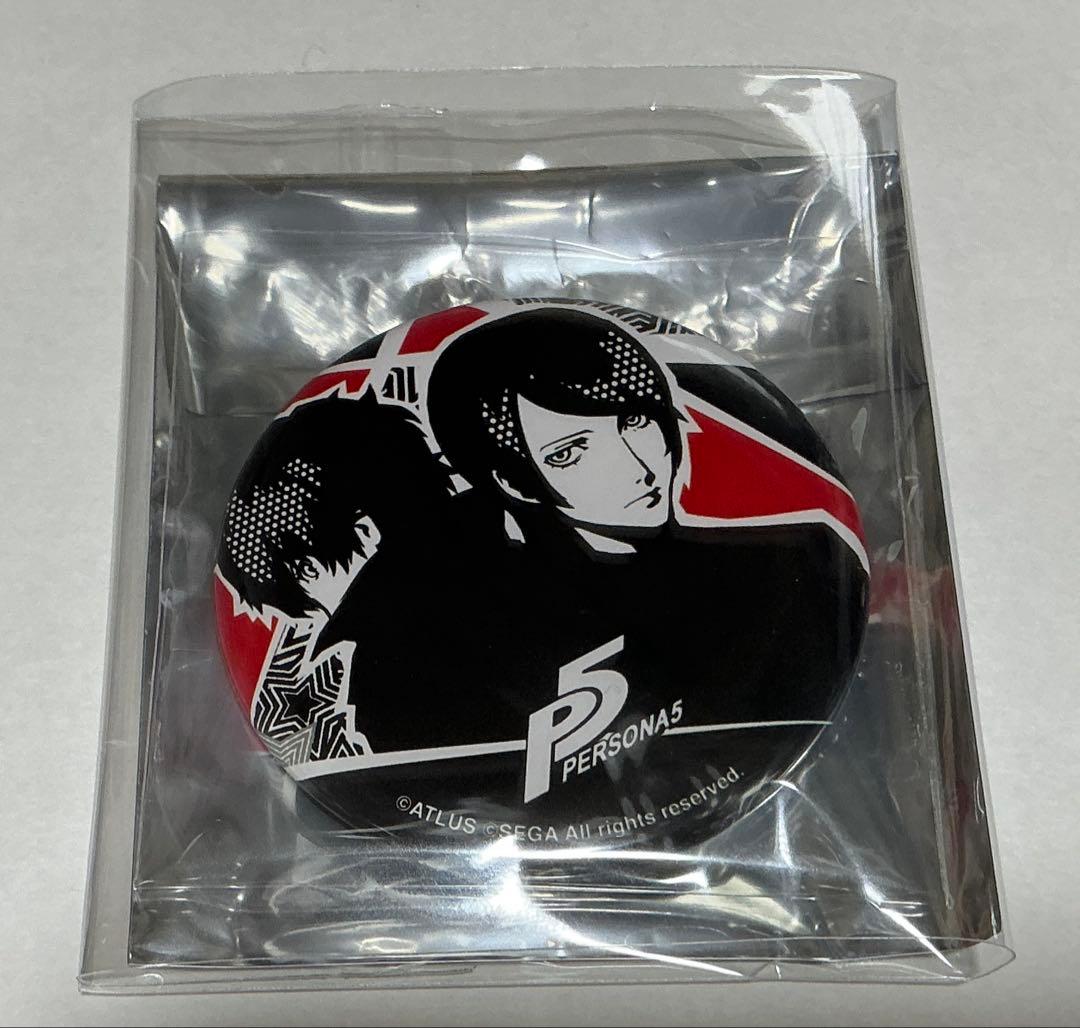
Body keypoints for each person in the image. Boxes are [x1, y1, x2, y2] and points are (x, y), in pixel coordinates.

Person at [315, 309, 867, 812]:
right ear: (513, 482)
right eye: (571, 452)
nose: (638, 467)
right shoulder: (428, 634)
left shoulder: (785, 569)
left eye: (633, 421)